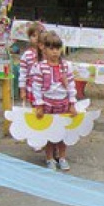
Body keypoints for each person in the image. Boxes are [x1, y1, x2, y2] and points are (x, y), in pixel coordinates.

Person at [31, 30, 78, 170]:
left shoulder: (66, 66)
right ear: (44, 49)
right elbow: (36, 87)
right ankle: (49, 158)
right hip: (48, 104)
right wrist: (39, 105)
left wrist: (72, 103)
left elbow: (71, 86)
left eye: (57, 48)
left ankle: (62, 157)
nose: (55, 52)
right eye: (51, 48)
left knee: (63, 133)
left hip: (63, 104)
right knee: (49, 133)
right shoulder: (40, 67)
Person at [18, 21, 45, 104]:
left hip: (46, 89)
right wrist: (22, 90)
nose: (37, 38)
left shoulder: (47, 53)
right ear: (29, 37)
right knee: (34, 111)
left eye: (39, 36)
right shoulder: (26, 55)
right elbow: (22, 74)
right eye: (33, 36)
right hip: (32, 88)